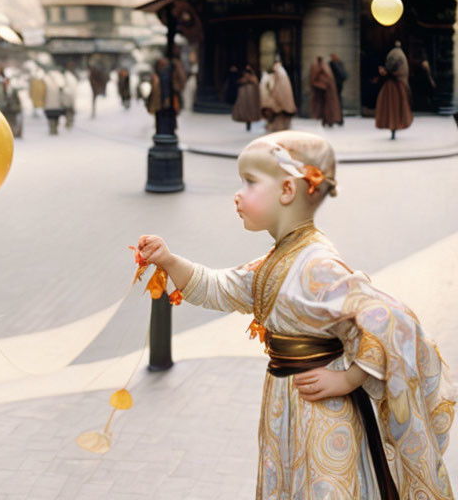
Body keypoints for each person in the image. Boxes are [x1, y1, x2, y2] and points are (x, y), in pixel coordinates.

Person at [137, 131, 455, 499]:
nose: (238, 194)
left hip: (324, 411)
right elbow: (220, 288)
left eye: (250, 182)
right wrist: (169, 260)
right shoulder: (278, 259)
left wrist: (350, 378)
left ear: (287, 190)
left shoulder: (318, 264)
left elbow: (390, 320)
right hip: (287, 405)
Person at [376, 41, 413, 140]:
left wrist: (384, 71)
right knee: (396, 107)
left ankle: (393, 127)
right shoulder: (400, 54)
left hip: (393, 86)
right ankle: (394, 128)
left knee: (392, 107)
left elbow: (390, 69)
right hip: (397, 85)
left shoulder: (394, 55)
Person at [260, 58, 296, 133]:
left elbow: (279, 88)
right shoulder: (280, 72)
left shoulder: (279, 72)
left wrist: (274, 95)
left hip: (280, 100)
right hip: (280, 99)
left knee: (279, 115)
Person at [309, 56, 342, 127]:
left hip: (328, 90)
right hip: (325, 91)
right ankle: (327, 120)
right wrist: (322, 85)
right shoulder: (319, 67)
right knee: (326, 107)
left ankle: (329, 120)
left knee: (329, 107)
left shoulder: (324, 67)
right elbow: (313, 80)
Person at [231, 64, 261, 131]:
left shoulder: (253, 78)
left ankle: (249, 125)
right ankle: (248, 125)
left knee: (249, 111)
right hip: (246, 97)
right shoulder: (248, 78)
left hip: (250, 98)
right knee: (247, 111)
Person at [43, 68, 64, 136]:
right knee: (56, 117)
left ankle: (52, 128)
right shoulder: (59, 81)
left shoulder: (46, 80)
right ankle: (55, 128)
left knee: (50, 117)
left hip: (48, 105)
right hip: (57, 105)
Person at [329, 53, 347, 125]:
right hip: (336, 85)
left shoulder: (336, 64)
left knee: (336, 102)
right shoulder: (337, 63)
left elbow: (343, 75)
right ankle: (337, 119)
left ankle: (337, 119)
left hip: (336, 85)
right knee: (336, 102)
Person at [61, 63, 77, 129]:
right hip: (71, 96)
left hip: (67, 96)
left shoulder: (66, 77)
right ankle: (70, 122)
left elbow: (64, 87)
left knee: (68, 110)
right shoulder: (73, 77)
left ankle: (68, 122)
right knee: (70, 110)